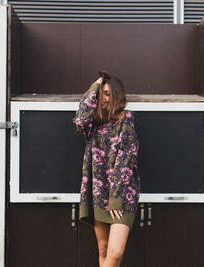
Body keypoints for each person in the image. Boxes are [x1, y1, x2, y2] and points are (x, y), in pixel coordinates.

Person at [72, 71, 141, 267]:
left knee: (115, 252)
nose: (103, 98)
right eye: (100, 94)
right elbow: (80, 118)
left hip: (122, 194)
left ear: (117, 96)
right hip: (98, 191)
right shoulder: (92, 123)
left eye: (108, 94)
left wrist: (116, 198)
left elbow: (125, 161)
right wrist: (95, 85)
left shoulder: (125, 120)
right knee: (103, 248)